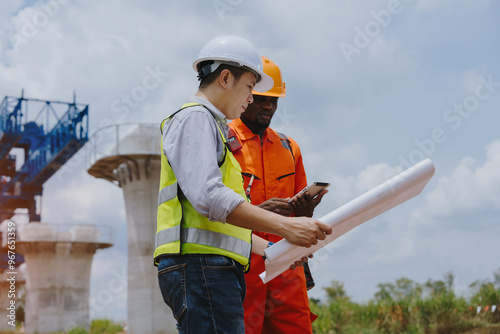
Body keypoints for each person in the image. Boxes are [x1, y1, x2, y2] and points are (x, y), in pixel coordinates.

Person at [154, 35, 332, 334]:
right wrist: (285, 226)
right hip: (201, 268)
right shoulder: (195, 118)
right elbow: (210, 199)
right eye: (250, 88)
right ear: (226, 78)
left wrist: (279, 248)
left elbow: (223, 224)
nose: (252, 98)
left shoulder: (214, 128)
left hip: (212, 267)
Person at [228, 56, 327, 334]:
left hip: (287, 265)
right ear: (246, 95)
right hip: (243, 265)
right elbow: (216, 207)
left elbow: (302, 216)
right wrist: (260, 211)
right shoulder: (223, 142)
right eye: (261, 99)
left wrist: (306, 209)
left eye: (274, 100)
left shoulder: (289, 147)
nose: (269, 106)